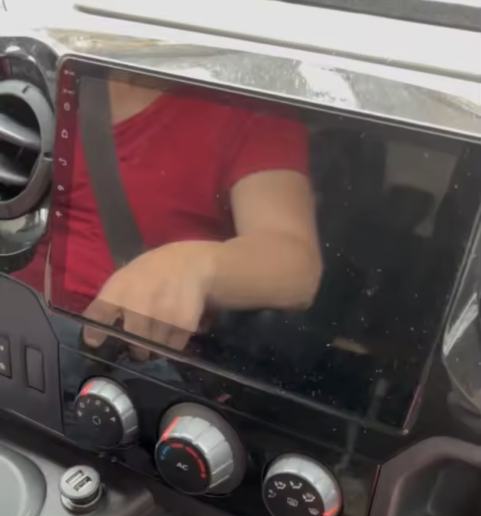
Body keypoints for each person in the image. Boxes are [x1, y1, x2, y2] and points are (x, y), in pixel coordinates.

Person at [19, 79, 322, 358]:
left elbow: (294, 263)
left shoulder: (249, 108)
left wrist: (195, 265)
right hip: (17, 319)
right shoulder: (40, 72)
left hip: (112, 355)